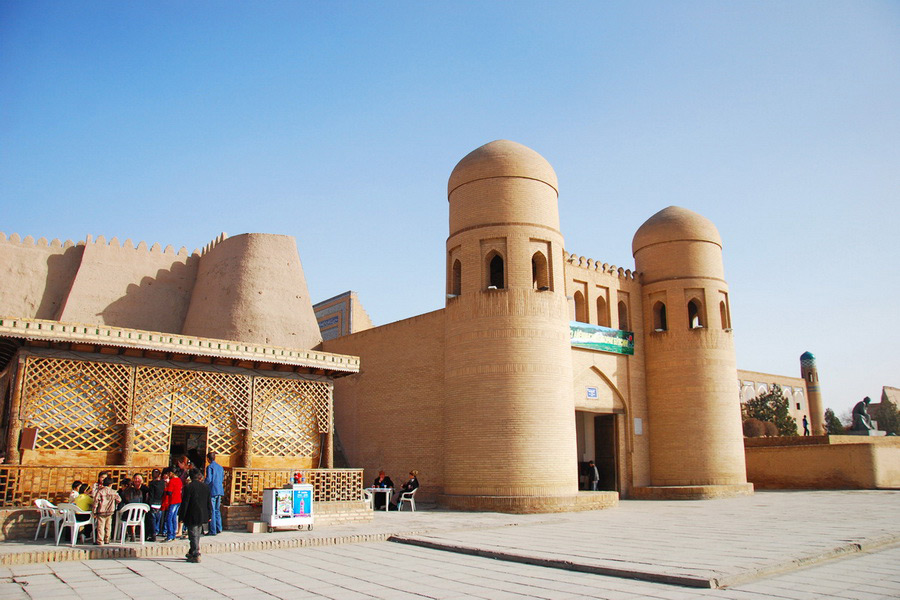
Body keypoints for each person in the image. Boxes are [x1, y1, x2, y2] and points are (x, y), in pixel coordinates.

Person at [179, 467, 210, 563]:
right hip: (202, 514)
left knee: (193, 534)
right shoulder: (205, 487)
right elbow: (209, 503)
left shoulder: (188, 487)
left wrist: (181, 516)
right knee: (197, 534)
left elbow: (185, 503)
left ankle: (196, 553)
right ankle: (192, 551)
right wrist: (209, 515)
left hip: (192, 514)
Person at [92, 477, 121, 545]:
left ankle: (100, 540)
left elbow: (96, 501)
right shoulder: (114, 492)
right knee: (108, 526)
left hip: (101, 511)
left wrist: (94, 511)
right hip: (110, 511)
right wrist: (114, 503)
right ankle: (107, 539)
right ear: (111, 484)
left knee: (101, 526)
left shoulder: (100, 491)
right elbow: (119, 499)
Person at [160, 467, 183, 542]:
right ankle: (173, 534)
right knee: (174, 518)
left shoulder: (172, 481)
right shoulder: (179, 480)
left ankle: (170, 535)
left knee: (169, 518)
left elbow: (169, 492)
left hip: (172, 501)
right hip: (178, 501)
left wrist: (166, 486)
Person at [205, 451, 224, 536]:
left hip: (212, 490)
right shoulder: (220, 467)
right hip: (219, 489)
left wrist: (204, 485)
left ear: (208, 459)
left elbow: (209, 479)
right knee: (217, 510)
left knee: (212, 510)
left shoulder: (210, 467)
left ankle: (213, 530)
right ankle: (219, 527)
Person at [146, 468, 165, 542]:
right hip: (159, 502)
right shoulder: (162, 483)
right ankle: (156, 532)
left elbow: (151, 494)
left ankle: (153, 534)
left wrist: (149, 503)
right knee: (157, 519)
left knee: (152, 520)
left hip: (153, 503)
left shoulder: (152, 484)